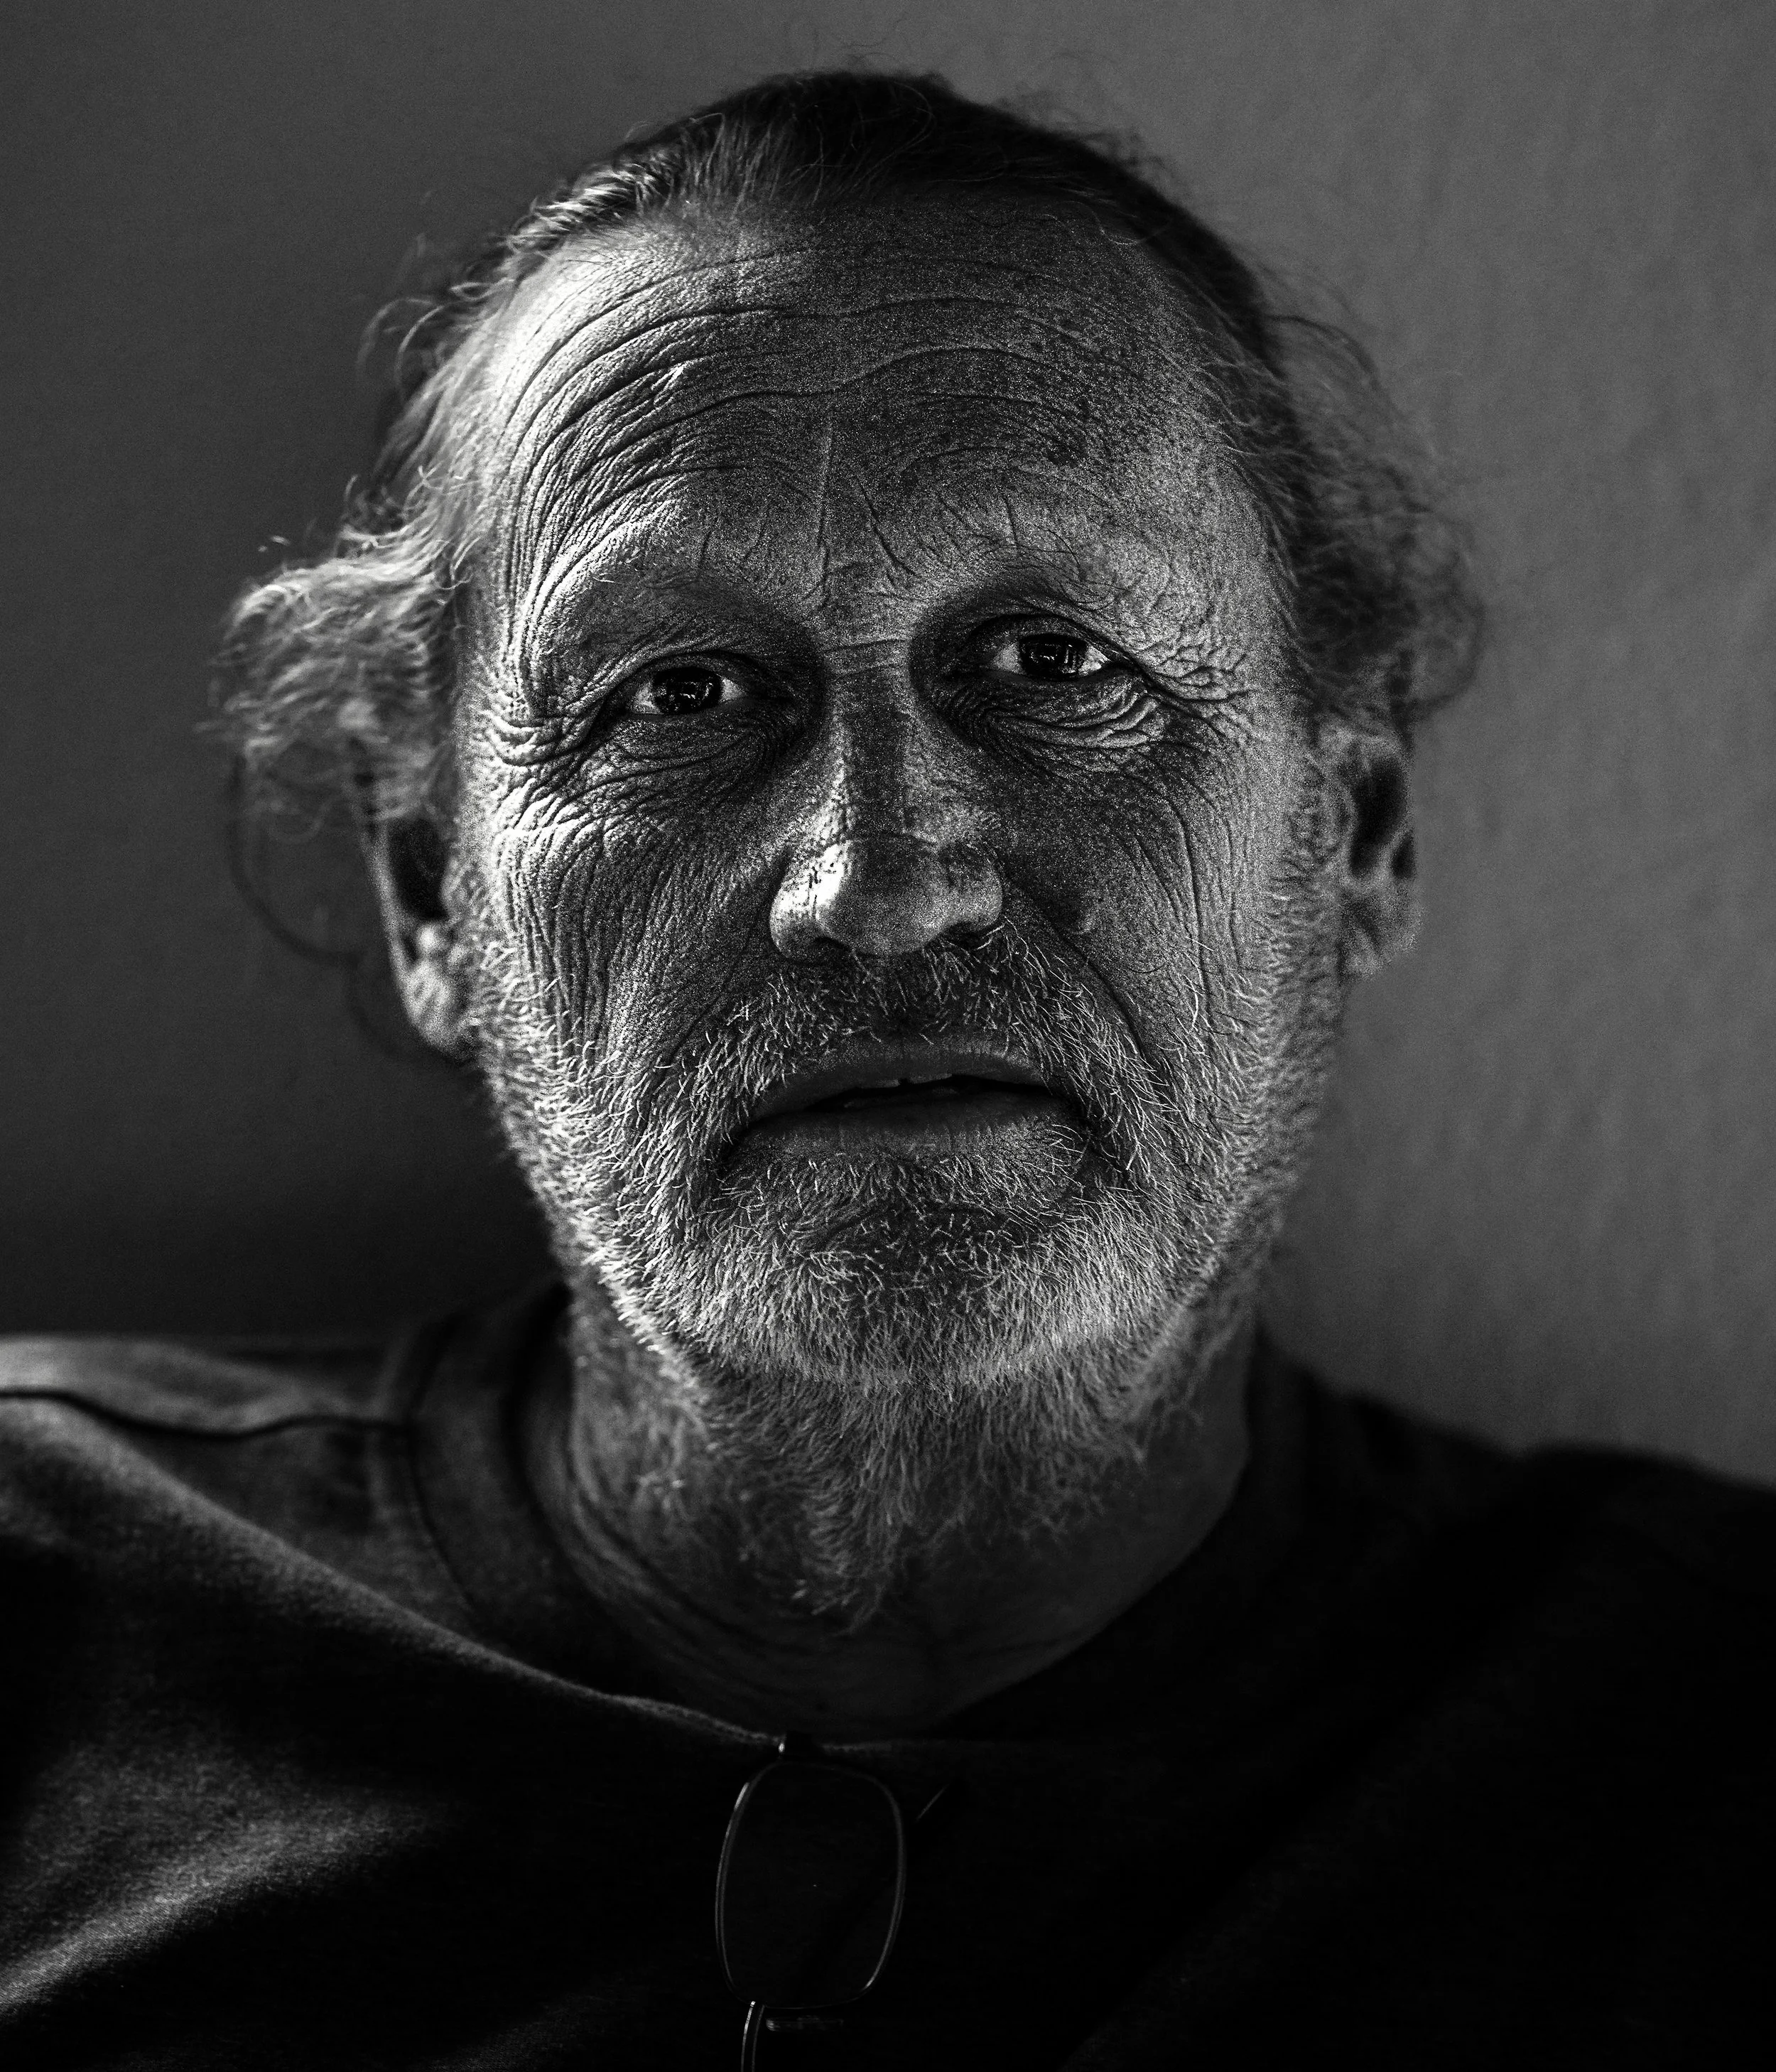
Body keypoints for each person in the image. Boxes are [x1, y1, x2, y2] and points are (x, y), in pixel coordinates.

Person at [1, 70, 1769, 2072]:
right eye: (677, 693)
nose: (879, 883)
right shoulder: (44, 1606)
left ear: (1345, 828)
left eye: (1049, 661)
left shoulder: (1709, 1758)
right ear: (434, 895)